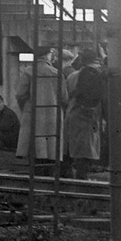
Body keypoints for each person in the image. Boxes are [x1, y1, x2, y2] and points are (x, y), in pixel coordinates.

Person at [16, 48, 67, 166]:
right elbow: (64, 98)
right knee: (52, 148)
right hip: (53, 115)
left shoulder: (28, 71)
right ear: (47, 56)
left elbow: (20, 94)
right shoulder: (57, 73)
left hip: (34, 114)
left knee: (35, 150)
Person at [64, 48, 106, 179]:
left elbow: (66, 96)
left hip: (72, 111)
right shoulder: (96, 74)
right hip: (88, 113)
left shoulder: (72, 75)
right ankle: (82, 176)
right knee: (86, 147)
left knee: (75, 145)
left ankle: (74, 173)